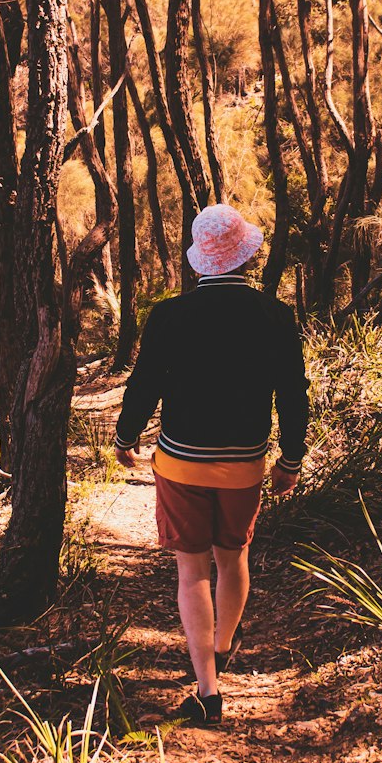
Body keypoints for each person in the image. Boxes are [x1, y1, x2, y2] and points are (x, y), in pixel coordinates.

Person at [114, 204, 309, 726]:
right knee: (233, 557)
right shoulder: (276, 316)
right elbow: (293, 393)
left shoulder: (170, 316)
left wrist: (123, 436)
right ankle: (222, 645)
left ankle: (207, 689)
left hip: (181, 464)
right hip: (245, 464)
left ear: (201, 262)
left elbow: (145, 383)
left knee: (191, 571)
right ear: (247, 256)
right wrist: (290, 459)